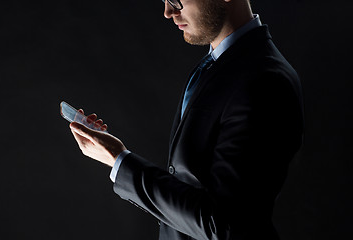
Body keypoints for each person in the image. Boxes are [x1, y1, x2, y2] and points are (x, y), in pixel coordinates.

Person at [69, 0, 304, 239]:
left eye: (175, 0)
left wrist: (119, 161)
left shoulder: (266, 82)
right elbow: (191, 191)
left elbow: (223, 223)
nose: (168, 12)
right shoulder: (214, 66)